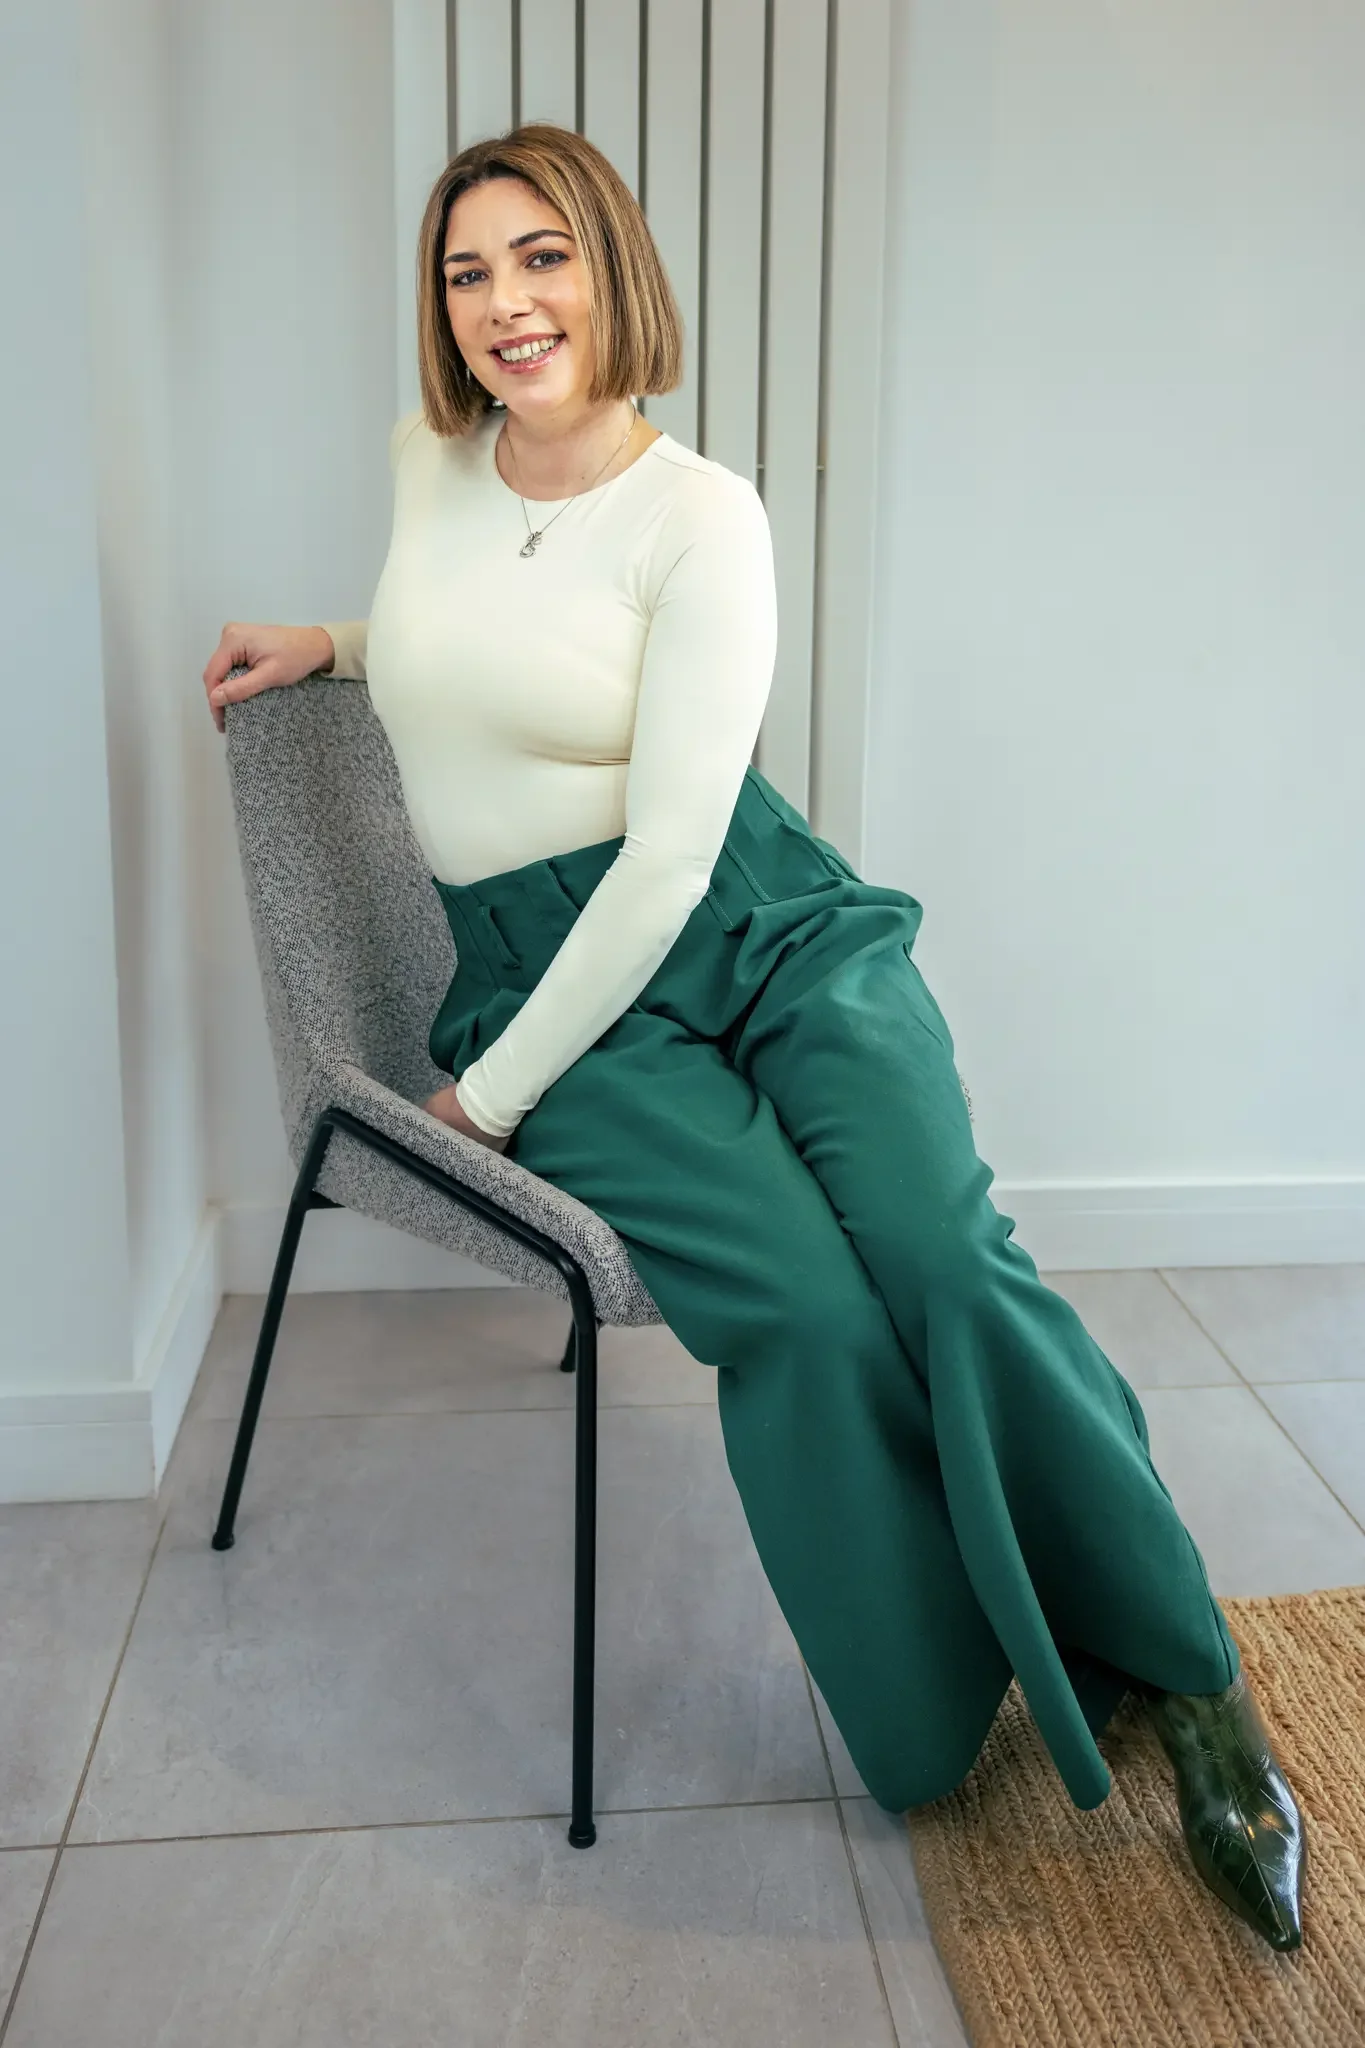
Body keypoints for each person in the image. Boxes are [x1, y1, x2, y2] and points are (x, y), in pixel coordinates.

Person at [201, 123, 1306, 1950]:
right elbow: (466, 624)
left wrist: (486, 1098)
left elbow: (670, 857)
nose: (504, 306)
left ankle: (1191, 1684)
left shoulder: (706, 511)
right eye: (468, 272)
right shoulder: (426, 464)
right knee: (797, 1308)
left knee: (944, 1254)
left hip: (750, 923)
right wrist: (334, 637)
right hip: (543, 969)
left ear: (610, 268)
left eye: (539, 258)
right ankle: (962, 1681)